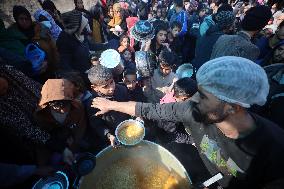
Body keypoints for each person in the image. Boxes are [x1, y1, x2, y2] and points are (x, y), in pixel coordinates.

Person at [92, 56, 284, 188]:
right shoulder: (194, 110)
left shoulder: (274, 151)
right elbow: (150, 109)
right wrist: (111, 105)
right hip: (205, 172)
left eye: (204, 97)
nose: (195, 100)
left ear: (234, 107)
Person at [34, 79, 87, 166]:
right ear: (48, 103)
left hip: (73, 140)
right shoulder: (41, 115)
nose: (62, 110)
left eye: (65, 105)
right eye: (56, 106)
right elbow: (43, 137)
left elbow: (80, 129)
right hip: (55, 144)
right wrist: (61, 148)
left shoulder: (78, 108)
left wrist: (73, 146)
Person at [85, 65, 130, 149]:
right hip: (111, 138)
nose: (111, 88)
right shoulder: (93, 103)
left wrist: (137, 117)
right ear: (95, 88)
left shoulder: (122, 90)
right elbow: (96, 124)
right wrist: (108, 135)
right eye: (105, 86)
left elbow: (130, 105)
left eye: (112, 82)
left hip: (128, 129)